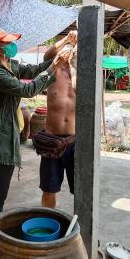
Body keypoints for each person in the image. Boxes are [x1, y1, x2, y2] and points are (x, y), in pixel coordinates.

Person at [0, 27, 71, 234]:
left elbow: (34, 70)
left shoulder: (9, 65)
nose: (12, 46)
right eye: (7, 43)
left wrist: (60, 57)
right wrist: (53, 69)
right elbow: (27, 90)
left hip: (8, 131)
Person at [36, 31, 77, 208]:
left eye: (73, 50)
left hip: (75, 141)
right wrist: (67, 39)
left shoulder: (82, 74)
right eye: (67, 50)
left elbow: (78, 87)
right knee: (48, 190)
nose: (69, 53)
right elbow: (47, 55)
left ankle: (80, 227)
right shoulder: (53, 72)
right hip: (52, 141)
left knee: (81, 189)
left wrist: (75, 63)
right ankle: (47, 222)